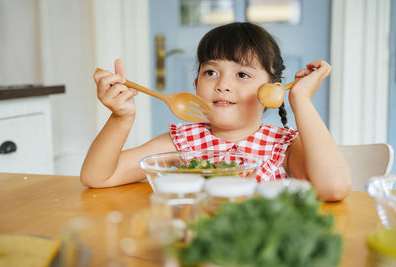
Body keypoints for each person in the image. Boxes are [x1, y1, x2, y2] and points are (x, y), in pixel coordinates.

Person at [81, 22, 351, 201]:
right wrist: (121, 118)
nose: (222, 85)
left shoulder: (282, 146)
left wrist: (300, 99)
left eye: (242, 74)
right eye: (211, 72)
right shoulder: (182, 143)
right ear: (196, 85)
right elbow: (98, 176)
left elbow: (333, 187)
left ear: (271, 91)